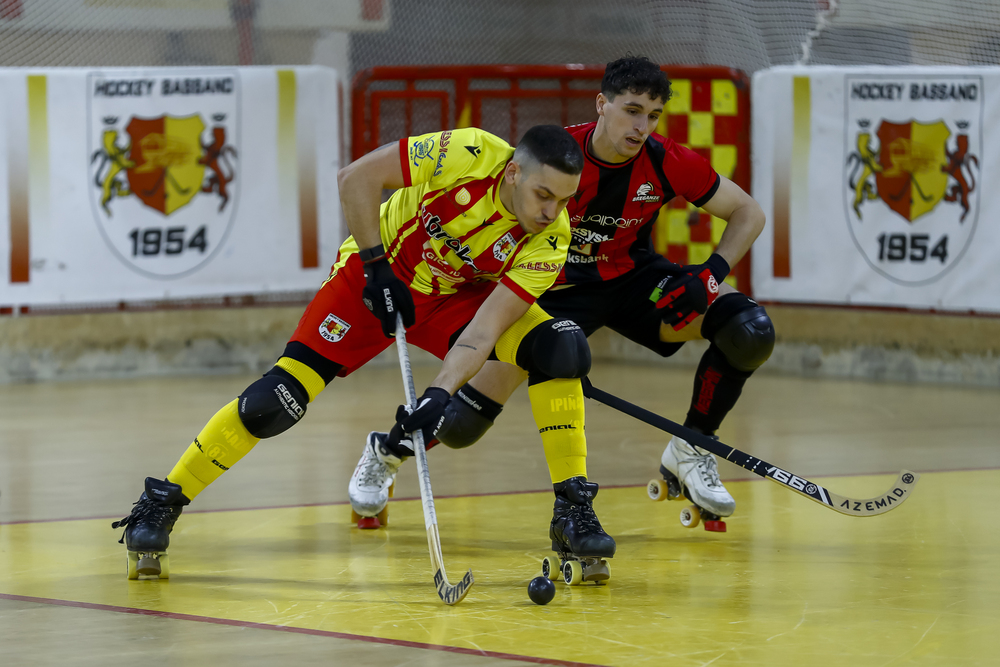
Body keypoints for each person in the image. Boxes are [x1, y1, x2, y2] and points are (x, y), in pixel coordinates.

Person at [111, 123, 618, 579]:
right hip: (375, 276)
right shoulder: (470, 152)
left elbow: (483, 332)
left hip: (456, 301)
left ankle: (572, 508)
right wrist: (377, 266)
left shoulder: (551, 238)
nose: (552, 212)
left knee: (560, 345)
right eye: (542, 195)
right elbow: (356, 178)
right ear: (512, 174)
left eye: (564, 200)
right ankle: (161, 503)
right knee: (274, 402)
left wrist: (439, 394)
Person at [350, 55, 773, 531]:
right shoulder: (554, 159)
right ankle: (386, 451)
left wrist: (710, 274)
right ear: (602, 104)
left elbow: (749, 213)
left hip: (633, 283)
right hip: (548, 288)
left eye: (652, 116)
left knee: (750, 329)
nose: (641, 126)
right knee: (462, 426)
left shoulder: (667, 160)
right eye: (632, 110)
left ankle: (694, 447)